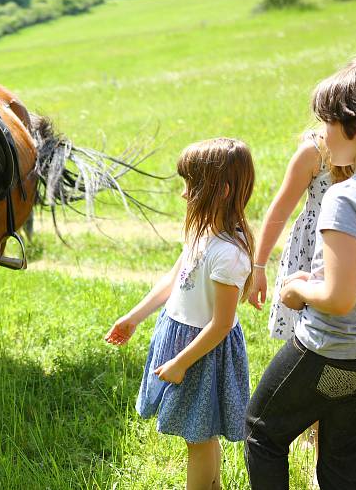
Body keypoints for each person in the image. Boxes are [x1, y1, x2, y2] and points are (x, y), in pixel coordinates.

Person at [245, 56, 356, 489]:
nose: (322, 133)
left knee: (262, 431)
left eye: (327, 121)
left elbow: (338, 297)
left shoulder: (346, 197)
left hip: (334, 350)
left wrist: (298, 292)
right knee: (344, 460)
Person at [106, 137, 255, 490]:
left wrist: (181, 362)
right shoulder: (201, 231)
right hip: (181, 338)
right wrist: (133, 317)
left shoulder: (229, 254)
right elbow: (174, 279)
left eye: (192, 184)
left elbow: (220, 326)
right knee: (198, 435)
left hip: (202, 352)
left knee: (199, 438)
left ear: (221, 190)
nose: (185, 193)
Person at [247, 127, 352, 454]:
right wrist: (259, 266)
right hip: (311, 252)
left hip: (351, 251)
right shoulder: (314, 151)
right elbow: (279, 209)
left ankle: (332, 428)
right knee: (312, 343)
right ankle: (314, 427)